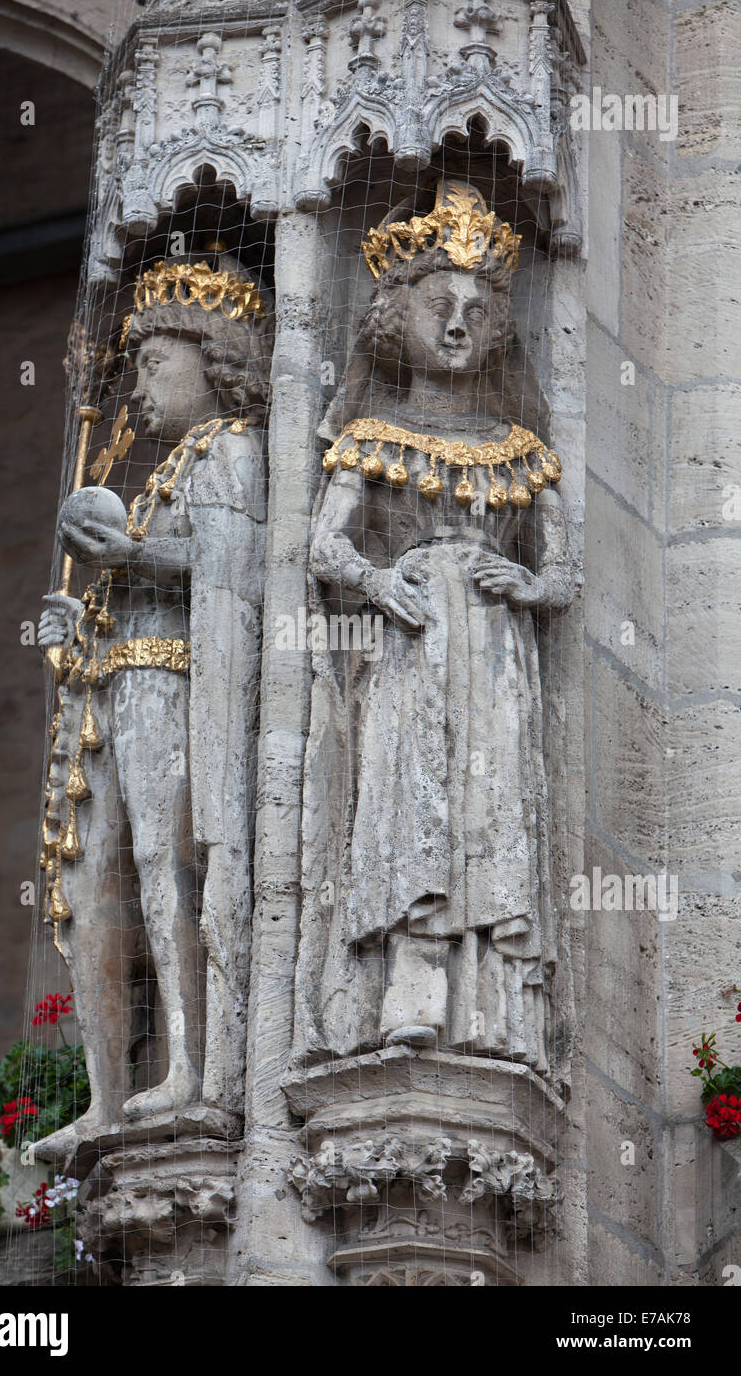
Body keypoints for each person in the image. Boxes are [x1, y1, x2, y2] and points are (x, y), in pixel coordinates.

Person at [292, 183, 574, 1078]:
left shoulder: (519, 448)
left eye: (476, 310)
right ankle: (409, 988)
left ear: (497, 330)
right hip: (410, 642)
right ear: (393, 316)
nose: (457, 324)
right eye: (436, 305)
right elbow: (322, 548)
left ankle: (494, 1011)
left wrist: (528, 583)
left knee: (493, 805)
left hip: (495, 648)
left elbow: (564, 572)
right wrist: (378, 582)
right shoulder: (372, 434)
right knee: (410, 797)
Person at [36, 253, 271, 1151]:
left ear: (215, 359)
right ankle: (104, 1098)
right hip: (117, 694)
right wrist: (80, 622)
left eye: (153, 362)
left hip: (174, 689)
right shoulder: (168, 470)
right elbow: (140, 589)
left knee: (168, 868)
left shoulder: (231, 450)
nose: (137, 386)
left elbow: (232, 569)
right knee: (99, 888)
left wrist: (128, 557)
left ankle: (194, 1069)